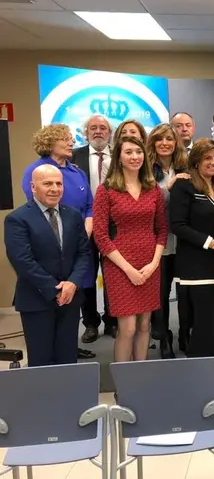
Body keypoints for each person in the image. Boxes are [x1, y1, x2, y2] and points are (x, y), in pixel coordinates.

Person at [21, 123, 96, 360]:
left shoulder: (76, 171)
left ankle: (68, 348)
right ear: (50, 142)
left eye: (71, 138)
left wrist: (82, 234)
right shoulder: (37, 170)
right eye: (65, 138)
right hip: (49, 251)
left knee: (72, 302)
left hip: (78, 242)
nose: (71, 141)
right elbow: (37, 212)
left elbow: (89, 206)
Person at [5, 165, 91, 367]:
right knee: (42, 361)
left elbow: (83, 252)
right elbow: (22, 260)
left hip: (70, 299)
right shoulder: (17, 219)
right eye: (48, 183)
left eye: (58, 183)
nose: (55, 188)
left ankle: (69, 399)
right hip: (36, 299)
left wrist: (72, 284)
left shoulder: (72, 215)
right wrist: (55, 289)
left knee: (68, 358)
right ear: (33, 187)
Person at [93, 136, 168, 363]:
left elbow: (162, 230)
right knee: (127, 328)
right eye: (128, 152)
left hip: (149, 264)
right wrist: (128, 270)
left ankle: (140, 378)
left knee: (145, 325)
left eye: (138, 151)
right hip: (119, 266)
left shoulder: (153, 189)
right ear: (119, 157)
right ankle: (123, 386)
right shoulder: (106, 190)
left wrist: (154, 263)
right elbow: (101, 236)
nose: (135, 156)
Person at [170, 138, 214, 393]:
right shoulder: (184, 186)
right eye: (208, 158)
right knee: (203, 329)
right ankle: (199, 383)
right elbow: (178, 225)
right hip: (197, 270)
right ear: (196, 161)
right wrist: (210, 243)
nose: (213, 163)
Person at [71, 114, 117, 343]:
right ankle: (90, 323)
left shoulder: (119, 156)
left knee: (113, 275)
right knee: (87, 275)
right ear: (85, 132)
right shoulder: (74, 156)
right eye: (93, 128)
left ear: (110, 133)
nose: (98, 132)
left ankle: (113, 320)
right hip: (84, 226)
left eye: (103, 128)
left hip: (115, 225)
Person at [146, 123, 190, 359]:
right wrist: (169, 187)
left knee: (184, 292)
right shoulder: (145, 170)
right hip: (158, 241)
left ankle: (185, 333)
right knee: (160, 293)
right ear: (153, 143)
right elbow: (148, 202)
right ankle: (164, 337)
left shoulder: (185, 167)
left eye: (169, 139)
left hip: (183, 240)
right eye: (160, 139)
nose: (165, 143)